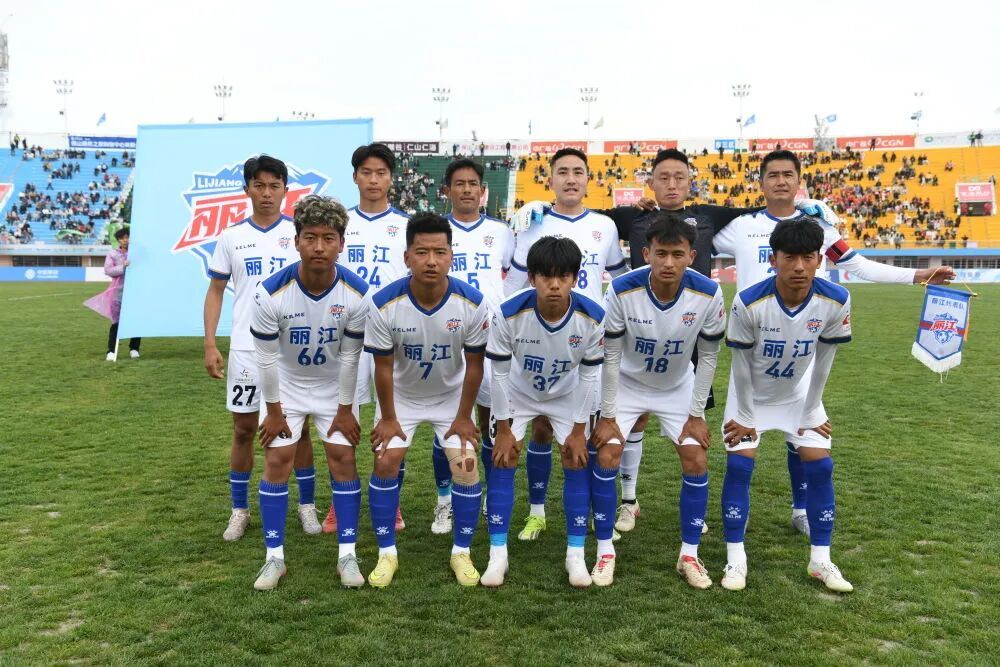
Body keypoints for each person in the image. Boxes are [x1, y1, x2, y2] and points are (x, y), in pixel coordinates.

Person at [712, 150, 956, 537]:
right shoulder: (741, 226)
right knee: (745, 449)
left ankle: (801, 510)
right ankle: (737, 529)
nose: (780, 181)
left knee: (803, 435)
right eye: (772, 174)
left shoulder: (820, 229)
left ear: (799, 181)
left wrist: (917, 276)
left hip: (803, 344)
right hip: (753, 343)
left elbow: (856, 264)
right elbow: (689, 234)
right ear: (760, 183)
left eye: (788, 174)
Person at [592, 212, 725, 588]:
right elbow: (611, 355)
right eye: (661, 253)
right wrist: (608, 414)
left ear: (691, 256)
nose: (669, 262)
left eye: (678, 254)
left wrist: (696, 414)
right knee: (607, 453)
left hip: (676, 386)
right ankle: (604, 552)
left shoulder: (709, 292)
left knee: (695, 456)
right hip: (628, 383)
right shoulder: (621, 289)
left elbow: (709, 356)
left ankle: (689, 555)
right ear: (646, 253)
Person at [721, 218, 854, 593]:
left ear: (819, 260)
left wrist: (810, 410)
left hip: (798, 395)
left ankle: (820, 560)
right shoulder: (749, 301)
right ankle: (736, 559)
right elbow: (740, 365)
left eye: (808, 258)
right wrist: (745, 416)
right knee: (740, 464)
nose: (799, 267)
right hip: (749, 396)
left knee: (821, 464)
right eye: (790, 257)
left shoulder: (836, 299)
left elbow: (824, 359)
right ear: (773, 259)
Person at [504, 148, 627, 541]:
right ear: (550, 179)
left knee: (585, 429)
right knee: (540, 428)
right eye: (562, 172)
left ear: (589, 178)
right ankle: (537, 513)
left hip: (586, 339)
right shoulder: (531, 223)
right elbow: (516, 284)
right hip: (539, 336)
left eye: (578, 171)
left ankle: (588, 511)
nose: (571, 179)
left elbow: (619, 280)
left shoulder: (605, 226)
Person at [363, 213, 489, 587]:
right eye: (421, 252)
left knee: (467, 465)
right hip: (401, 398)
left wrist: (464, 417)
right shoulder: (384, 303)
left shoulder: (472, 303)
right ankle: (387, 553)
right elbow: (382, 367)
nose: (431, 261)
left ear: (451, 256)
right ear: (407, 257)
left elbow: (475, 365)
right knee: (386, 461)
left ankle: (461, 552)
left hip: (451, 398)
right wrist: (388, 418)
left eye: (439, 252)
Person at [249, 195, 369, 591]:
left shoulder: (357, 293)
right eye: (311, 238)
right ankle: (274, 558)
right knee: (277, 460)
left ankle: (347, 554)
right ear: (296, 241)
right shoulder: (270, 293)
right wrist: (274, 411)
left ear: (341, 244)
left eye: (328, 238)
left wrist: (346, 409)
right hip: (286, 386)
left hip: (334, 387)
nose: (319, 247)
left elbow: (350, 357)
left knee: (343, 458)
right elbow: (266, 359)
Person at [203, 155, 318, 542]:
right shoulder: (231, 237)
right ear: (247, 189)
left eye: (274, 186)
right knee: (243, 430)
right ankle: (239, 510)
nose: (267, 193)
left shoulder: (299, 235)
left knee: (300, 430)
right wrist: (209, 343)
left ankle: (306, 506)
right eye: (259, 185)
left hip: (291, 351)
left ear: (286, 190)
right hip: (247, 350)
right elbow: (216, 290)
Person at [485, 235, 607, 588]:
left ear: (575, 278)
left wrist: (579, 431)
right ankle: (497, 555)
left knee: (576, 459)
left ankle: (575, 556)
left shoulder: (593, 317)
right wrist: (504, 428)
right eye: (546, 276)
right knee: (503, 458)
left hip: (567, 394)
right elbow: (499, 374)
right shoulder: (508, 313)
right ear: (531, 277)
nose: (554, 285)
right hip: (518, 393)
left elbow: (589, 378)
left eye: (563, 276)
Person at [323, 143, 409, 535]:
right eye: (366, 173)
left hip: (393, 334)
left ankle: (391, 501)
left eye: (381, 173)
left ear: (391, 178)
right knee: (343, 415)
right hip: (346, 333)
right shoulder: (340, 223)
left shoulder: (406, 226)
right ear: (355, 176)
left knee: (393, 418)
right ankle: (339, 501)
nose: (374, 180)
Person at [430, 158, 515, 534]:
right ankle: (444, 500)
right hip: (445, 337)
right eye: (459, 183)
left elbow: (514, 278)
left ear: (483, 191)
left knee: (490, 421)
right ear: (446, 190)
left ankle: (485, 495)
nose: (466, 189)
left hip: (491, 337)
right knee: (446, 423)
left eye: (473, 184)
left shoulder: (501, 232)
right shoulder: (436, 231)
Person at [85, 227, 141, 360]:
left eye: (127, 237)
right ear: (118, 240)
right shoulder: (113, 254)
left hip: (136, 292)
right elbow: (108, 270)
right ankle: (111, 351)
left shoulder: (137, 253)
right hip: (118, 292)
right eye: (122, 238)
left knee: (136, 320)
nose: (125, 240)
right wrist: (123, 266)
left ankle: (134, 348)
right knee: (116, 322)